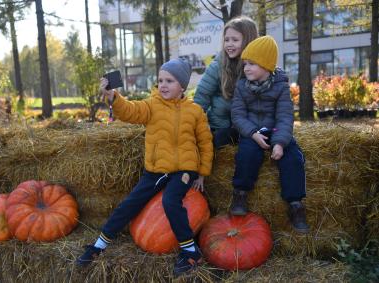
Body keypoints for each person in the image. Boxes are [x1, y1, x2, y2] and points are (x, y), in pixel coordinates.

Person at [76, 59, 214, 276]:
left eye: (170, 80)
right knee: (129, 204)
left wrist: (203, 173)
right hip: (156, 170)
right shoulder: (151, 105)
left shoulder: (195, 111)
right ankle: (99, 246)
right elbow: (131, 111)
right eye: (160, 80)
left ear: (183, 86)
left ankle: (190, 251)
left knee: (171, 200)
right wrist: (114, 97)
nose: (164, 85)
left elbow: (205, 143)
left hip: (184, 170)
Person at [230, 35, 310, 233]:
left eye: (252, 64)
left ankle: (295, 204)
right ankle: (240, 193)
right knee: (247, 154)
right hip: (252, 131)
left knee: (292, 158)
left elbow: (284, 116)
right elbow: (237, 115)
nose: (246, 68)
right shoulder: (241, 87)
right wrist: (252, 133)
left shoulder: (281, 87)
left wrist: (280, 143)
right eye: (245, 64)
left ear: (266, 66)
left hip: (275, 130)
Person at [194, 16, 258, 149]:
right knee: (215, 142)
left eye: (235, 40)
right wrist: (193, 125)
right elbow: (201, 96)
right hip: (220, 125)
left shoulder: (256, 68)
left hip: (247, 126)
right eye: (226, 40)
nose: (229, 44)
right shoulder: (218, 65)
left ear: (248, 41)